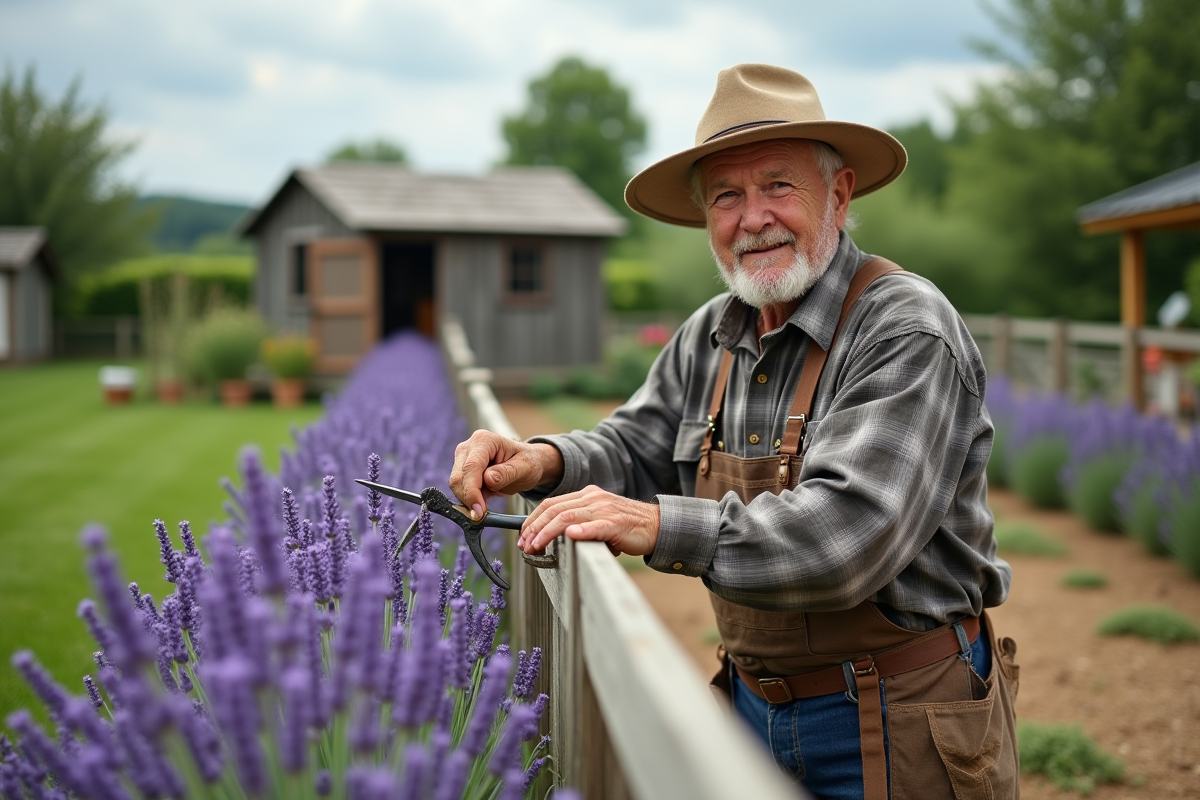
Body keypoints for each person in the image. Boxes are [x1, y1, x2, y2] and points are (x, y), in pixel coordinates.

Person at [450, 64, 1019, 800]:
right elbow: (635, 444)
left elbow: (845, 536)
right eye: (728, 196)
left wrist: (655, 524)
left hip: (900, 714)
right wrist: (540, 460)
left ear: (838, 195)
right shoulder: (712, 334)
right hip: (751, 705)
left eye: (779, 186)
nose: (753, 218)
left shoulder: (905, 328)